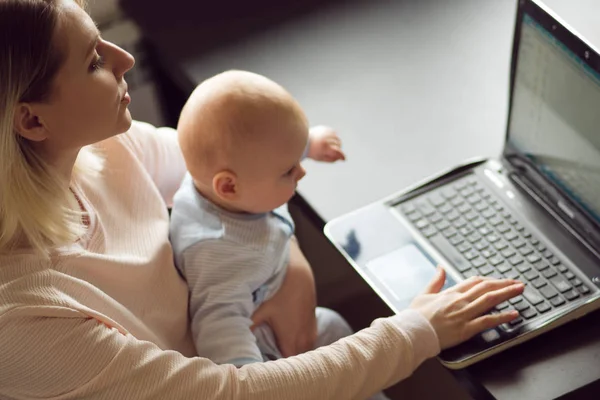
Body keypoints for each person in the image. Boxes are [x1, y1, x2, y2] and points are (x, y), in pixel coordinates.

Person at [0, 0, 525, 399]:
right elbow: (237, 392)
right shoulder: (23, 321)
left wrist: (289, 261)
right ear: (31, 119)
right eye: (94, 59)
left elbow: (234, 178)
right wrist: (418, 332)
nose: (125, 57)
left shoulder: (103, 149)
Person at [170, 70, 357, 368]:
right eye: (288, 170)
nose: (301, 172)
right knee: (338, 340)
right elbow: (220, 330)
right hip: (271, 353)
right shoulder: (217, 254)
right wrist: (255, 377)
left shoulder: (220, 186)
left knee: (335, 328)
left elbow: (265, 144)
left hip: (278, 292)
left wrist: (308, 144)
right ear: (229, 186)